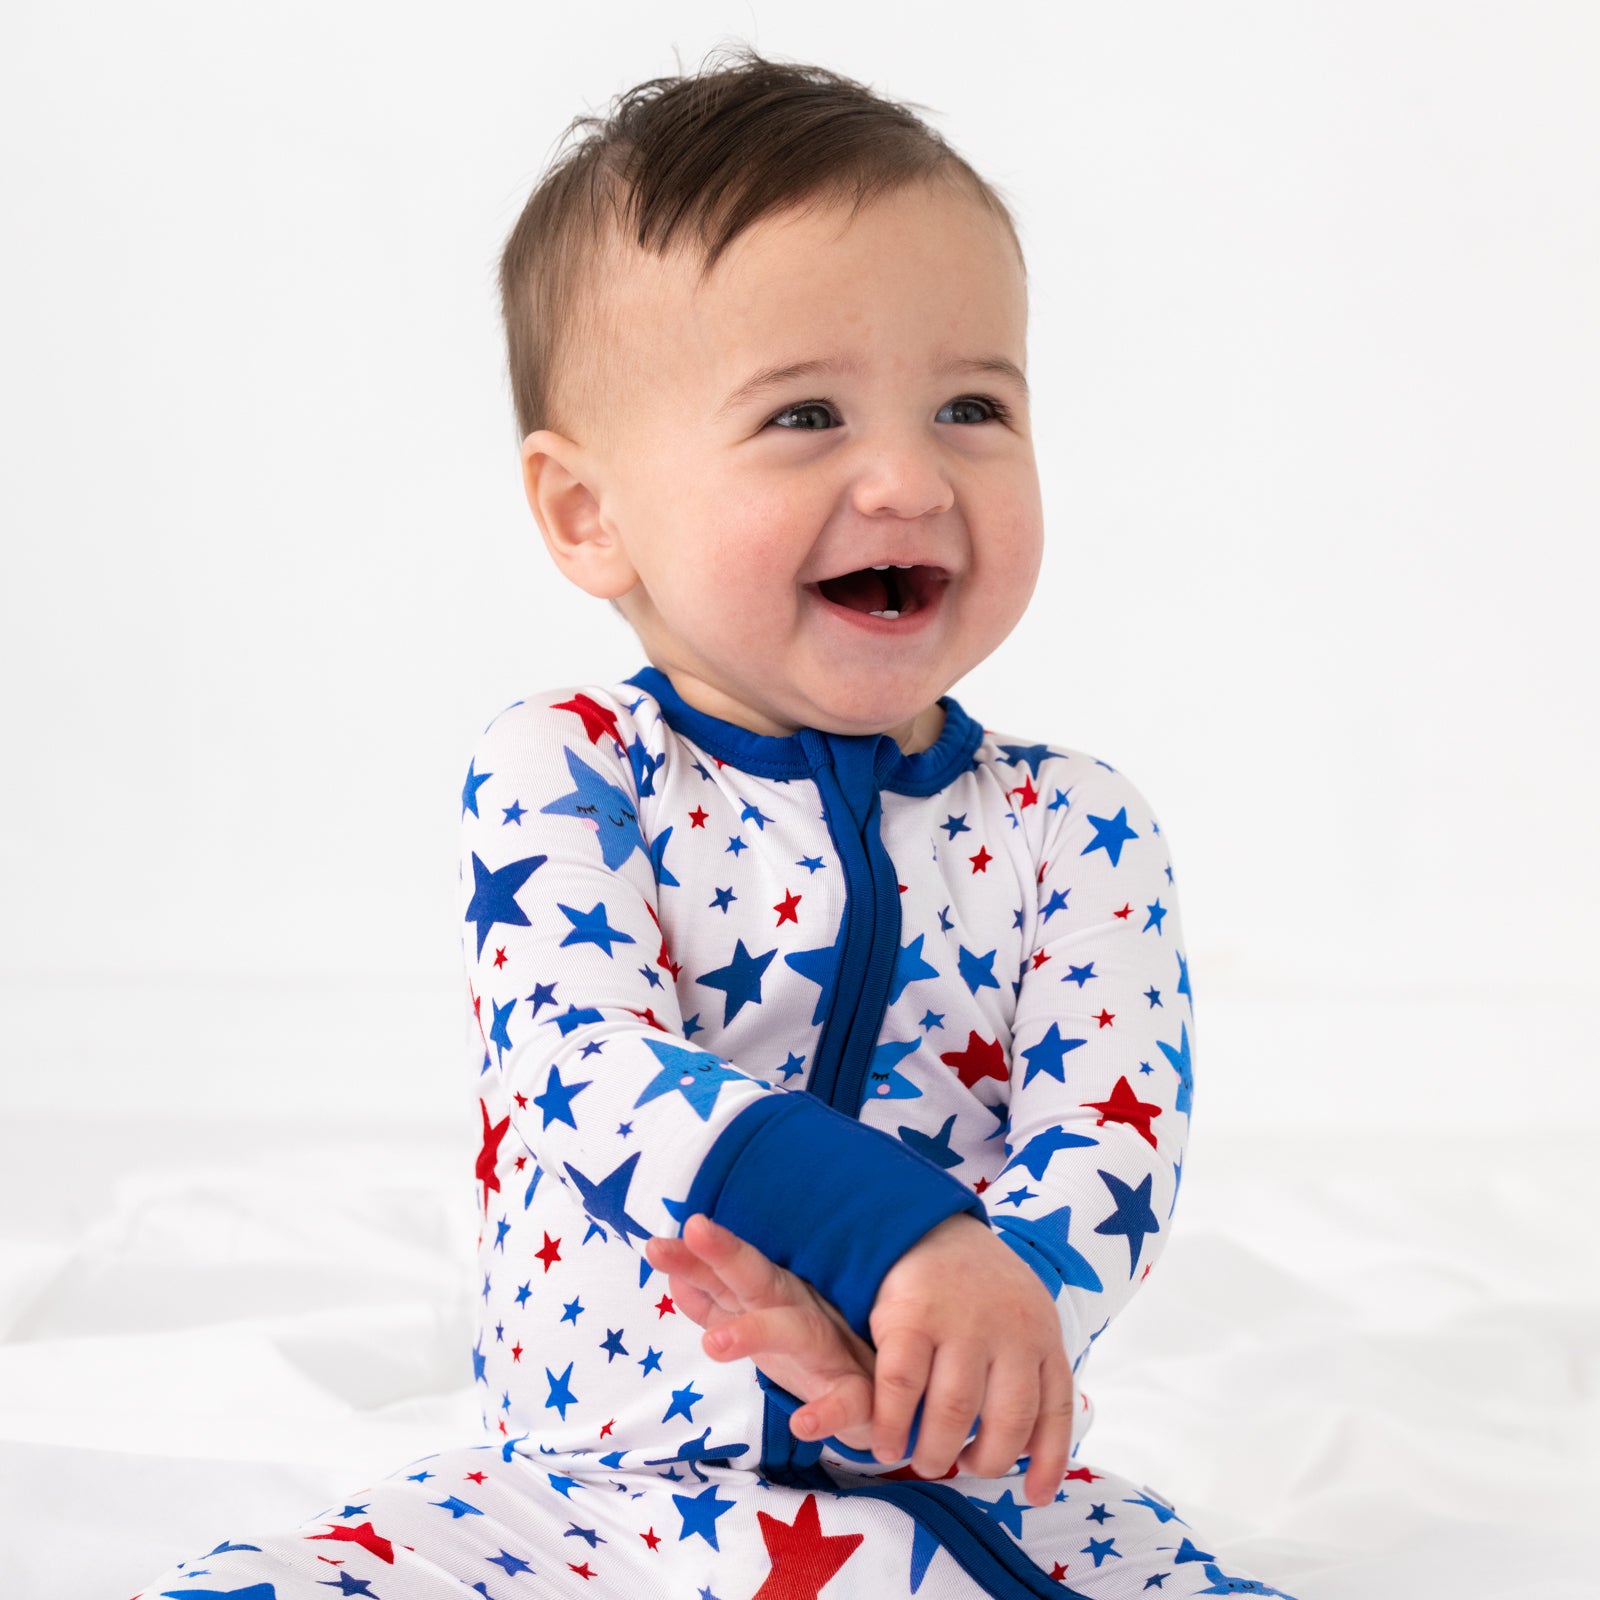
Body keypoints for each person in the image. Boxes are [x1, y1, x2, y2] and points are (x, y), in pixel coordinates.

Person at [134, 44, 1299, 1600]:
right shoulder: (568, 771)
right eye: (807, 414)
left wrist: (973, 1313)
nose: (909, 478)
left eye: (972, 405)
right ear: (588, 514)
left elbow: (1114, 1129)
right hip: (587, 1493)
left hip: (958, 1487)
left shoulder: (1074, 826)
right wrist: (890, 1234)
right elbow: (583, 1059)